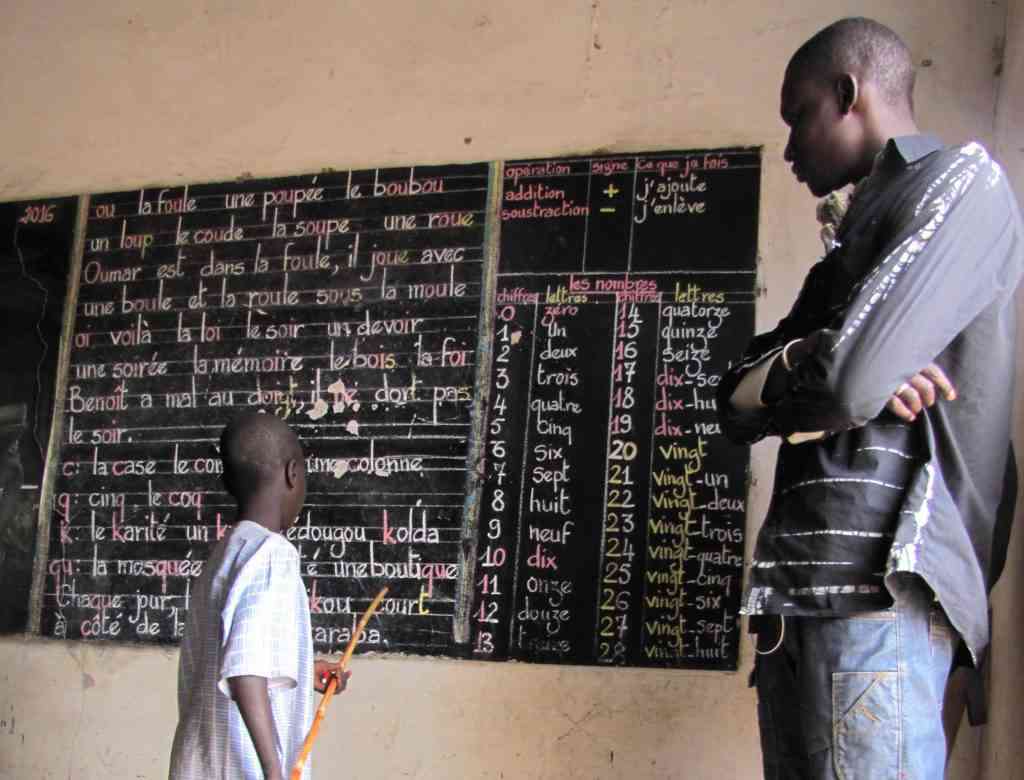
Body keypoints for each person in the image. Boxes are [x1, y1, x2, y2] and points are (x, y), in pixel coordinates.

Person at [716, 17, 1023, 779]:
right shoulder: (845, 254)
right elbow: (731, 398)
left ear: (849, 94)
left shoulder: (961, 183)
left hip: (881, 600)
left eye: (798, 117)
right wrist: (818, 354)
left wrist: (833, 370)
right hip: (797, 609)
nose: (789, 148)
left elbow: (852, 388)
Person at [169, 411, 348, 780]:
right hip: (242, 769)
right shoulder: (273, 553)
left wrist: (301, 670)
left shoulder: (228, 550)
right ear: (292, 474)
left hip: (198, 762)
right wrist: (274, 771)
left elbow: (234, 649)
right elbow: (244, 670)